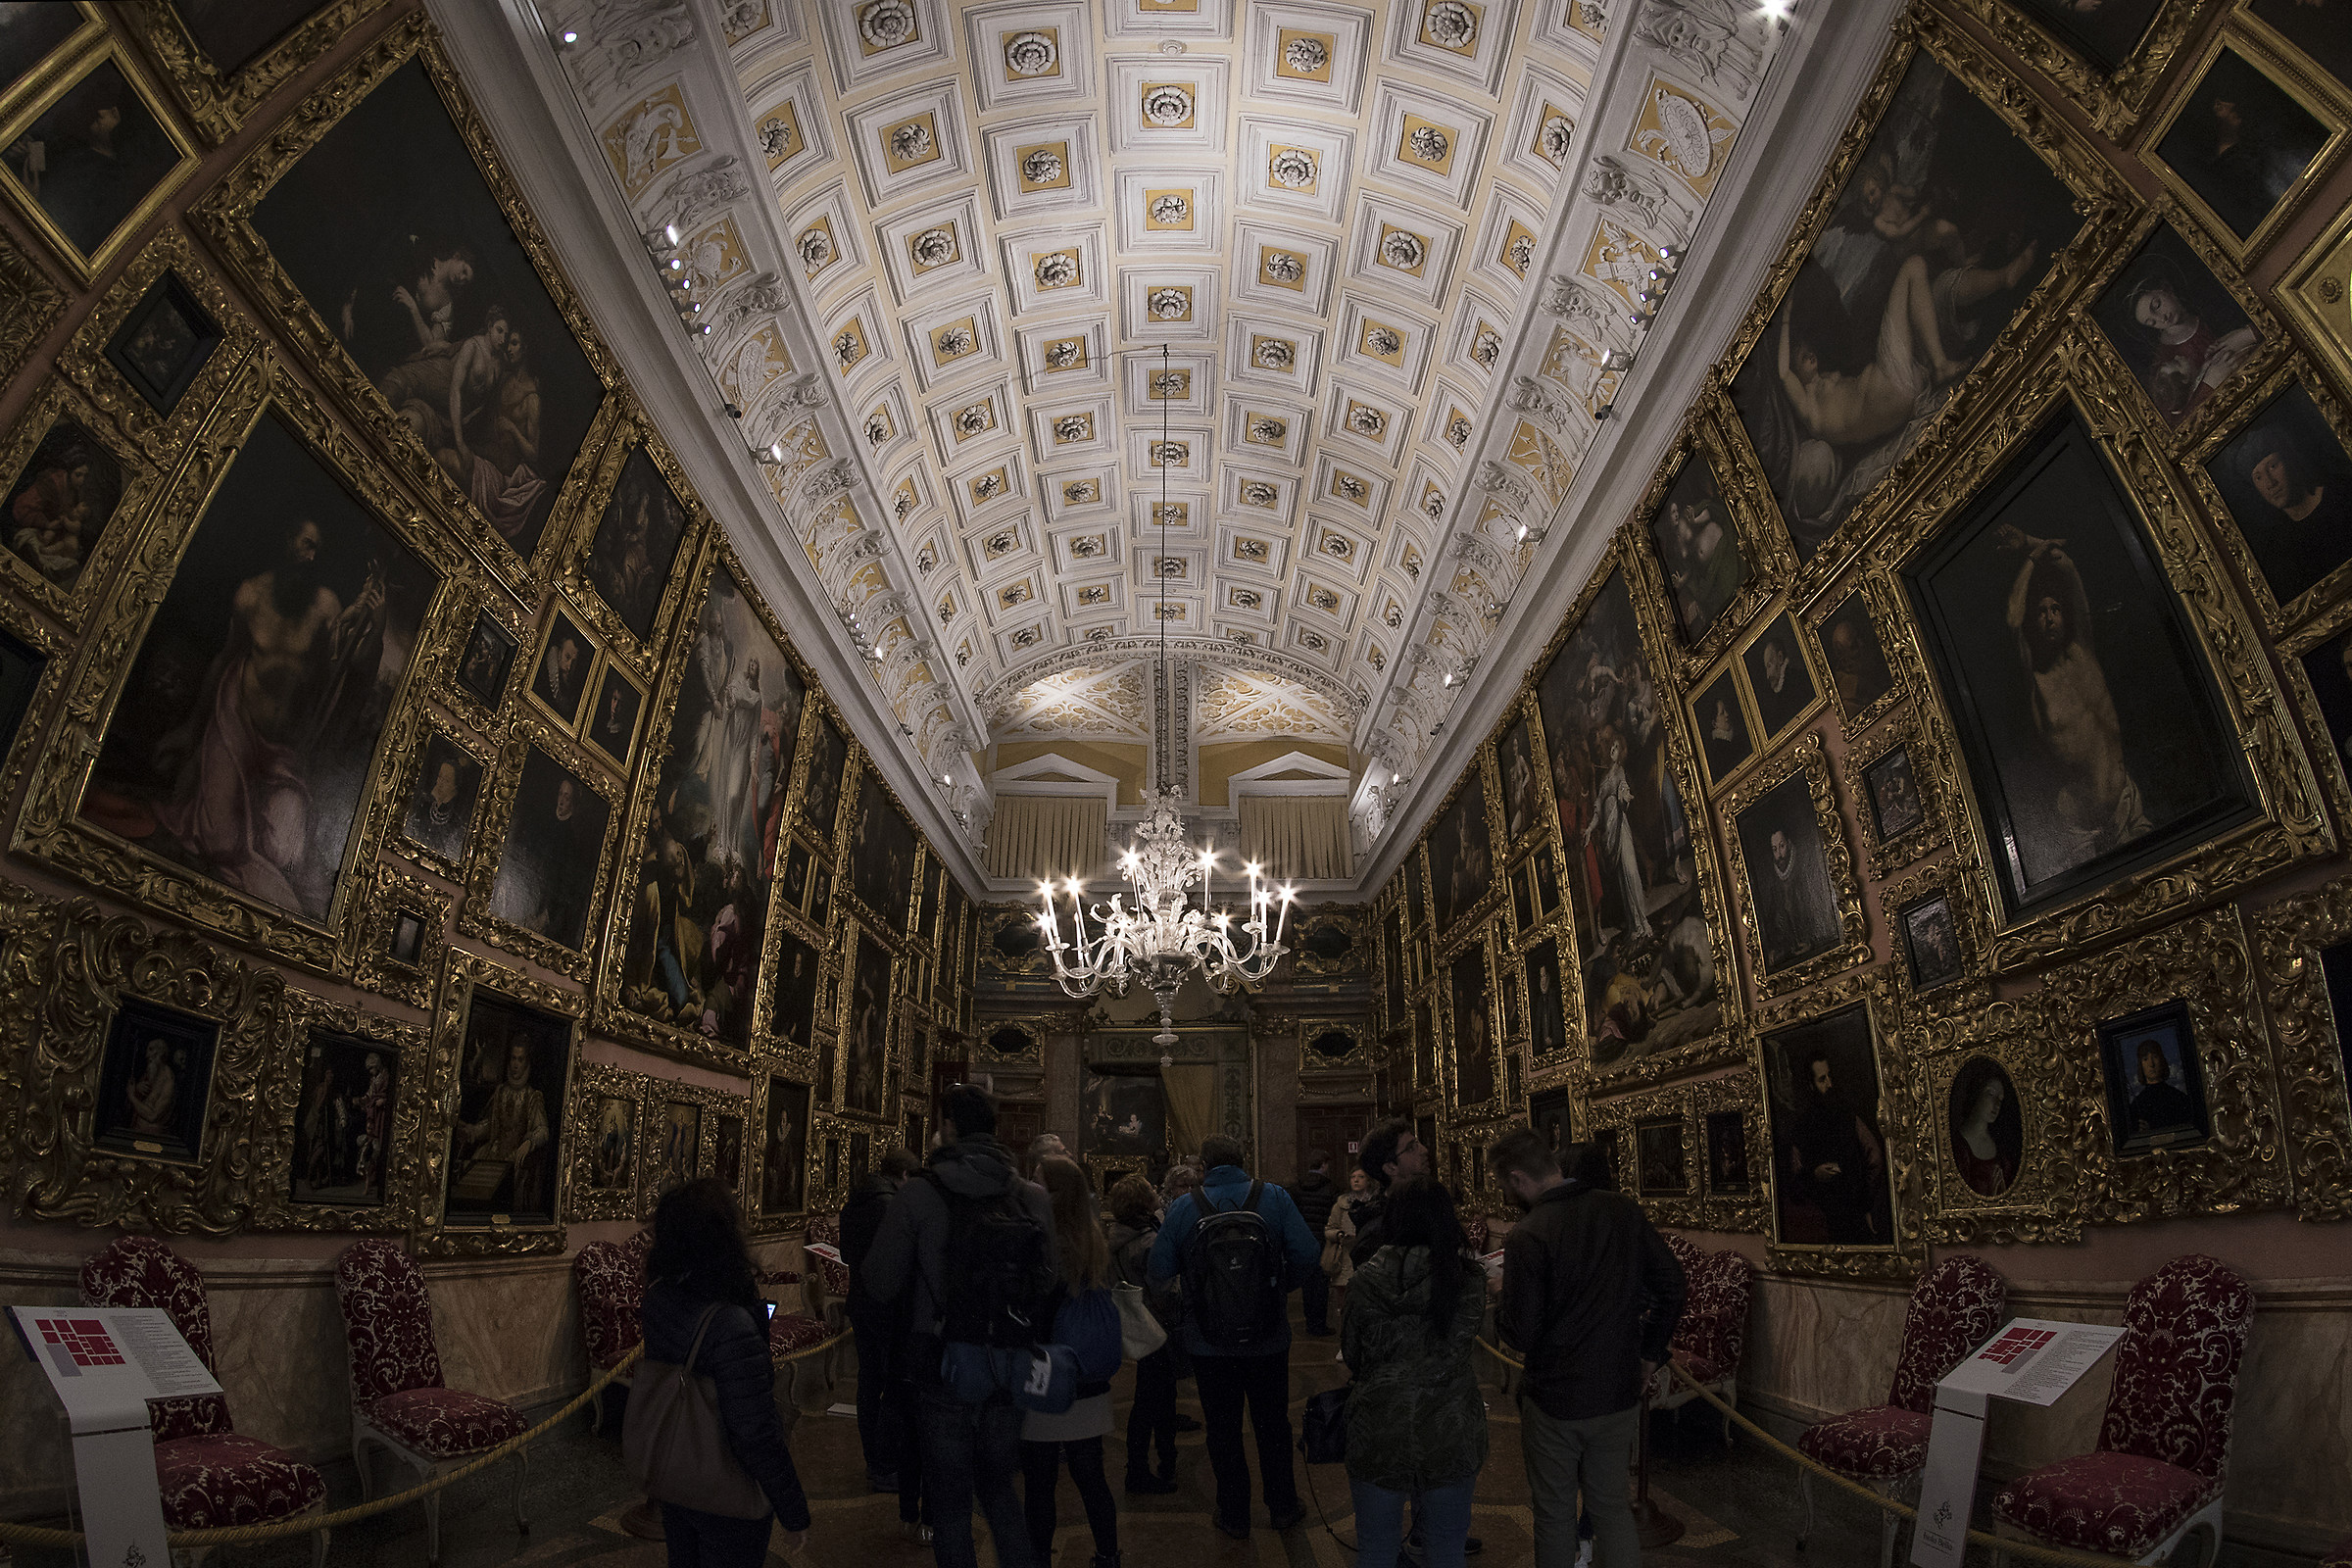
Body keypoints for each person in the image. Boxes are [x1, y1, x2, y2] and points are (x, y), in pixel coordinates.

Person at [862, 1083, 1056, 1568]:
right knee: (1000, 1488)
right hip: (1010, 1357)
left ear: (948, 1127)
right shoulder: (1030, 1196)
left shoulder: (921, 1194)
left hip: (941, 1360)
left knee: (949, 1501)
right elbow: (1050, 1279)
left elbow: (879, 1282)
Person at [1490, 1129, 1685, 1568]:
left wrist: (1503, 1292)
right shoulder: (1621, 1210)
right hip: (1619, 1388)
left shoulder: (1528, 1233)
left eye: (1504, 1185)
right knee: (1611, 1508)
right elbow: (1672, 1285)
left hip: (1556, 1398)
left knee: (1555, 1514)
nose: (1506, 1195)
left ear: (1518, 1178)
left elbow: (1519, 1335)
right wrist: (1650, 1353)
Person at [1147, 1134, 1319, 1541]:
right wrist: (1277, 1290)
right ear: (1242, 1161)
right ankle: (1282, 1507)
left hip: (1209, 1343)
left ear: (1204, 1167)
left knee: (1222, 1429)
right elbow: (1308, 1254)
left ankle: (1233, 1513)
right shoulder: (1273, 1197)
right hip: (1268, 1338)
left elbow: (1158, 1272)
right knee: (1273, 1424)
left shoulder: (1185, 1207)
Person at [638, 1178, 812, 1567]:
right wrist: (793, 1510)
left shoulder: (659, 1298)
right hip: (726, 1492)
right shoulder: (731, 1324)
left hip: (676, 1476)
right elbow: (755, 1430)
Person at [1342, 1181, 1490, 1568]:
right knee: (1446, 1548)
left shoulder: (1363, 1280)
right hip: (1450, 1425)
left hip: (1378, 1424)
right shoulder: (1467, 1279)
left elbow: (1354, 1356)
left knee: (1375, 1548)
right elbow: (1459, 1343)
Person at [2000, 525, 2145, 872]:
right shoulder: (2036, 677)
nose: (2049, 618)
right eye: (2041, 612)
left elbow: (2068, 568)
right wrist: (2033, 558)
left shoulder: (2084, 653)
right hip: (2082, 826)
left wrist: (2035, 542)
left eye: (2055, 609)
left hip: (2126, 803)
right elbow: (2012, 618)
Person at [1021, 1156, 1121, 1568]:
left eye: (1038, 1182)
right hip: (1086, 1371)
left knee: (1040, 1482)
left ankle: (1040, 1558)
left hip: (1046, 1372)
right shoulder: (1092, 1236)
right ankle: (1108, 1555)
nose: (1032, 1186)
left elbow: (1036, 1312)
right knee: (1091, 1477)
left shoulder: (1044, 1242)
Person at [842, 1148, 920, 1501]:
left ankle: (873, 1460)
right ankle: (885, 1463)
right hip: (886, 1306)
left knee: (869, 1381)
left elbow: (846, 1254)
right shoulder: (889, 1207)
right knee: (894, 1384)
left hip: (859, 1300)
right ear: (903, 1176)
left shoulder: (856, 1200)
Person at [1106, 1173, 1182, 1495]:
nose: (1156, 1189)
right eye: (1151, 1188)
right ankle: (1140, 1469)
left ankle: (1163, 1461)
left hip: (1142, 1322)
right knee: (1151, 1400)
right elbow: (1163, 1285)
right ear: (1141, 1201)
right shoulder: (1146, 1241)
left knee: (1157, 1397)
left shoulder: (1120, 1233)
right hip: (1158, 1322)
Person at [1788, 1054, 1889, 1244]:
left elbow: (1875, 1158)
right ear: (1811, 1086)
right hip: (1821, 1223)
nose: (1829, 1084)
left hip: (1855, 1214)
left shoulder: (1848, 1116)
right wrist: (1815, 1175)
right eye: (1822, 1079)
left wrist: (1865, 1204)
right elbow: (1795, 1179)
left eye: (1829, 1076)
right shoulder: (1801, 1127)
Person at [1287, 1151, 1341, 1336]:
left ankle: (1310, 1322)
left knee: (1308, 1286)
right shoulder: (1331, 1189)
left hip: (1303, 1240)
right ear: (1324, 1165)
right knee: (1321, 1286)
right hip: (1322, 1239)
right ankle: (1318, 1325)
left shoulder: (1296, 1188)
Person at [1326, 1167, 1371, 1323]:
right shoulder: (1341, 1205)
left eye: (1361, 1177)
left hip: (1367, 1256)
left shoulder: (1373, 1204)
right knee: (1344, 1302)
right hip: (1345, 1257)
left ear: (1368, 1180)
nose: (1356, 1180)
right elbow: (1329, 1229)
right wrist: (1339, 1235)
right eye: (1353, 1177)